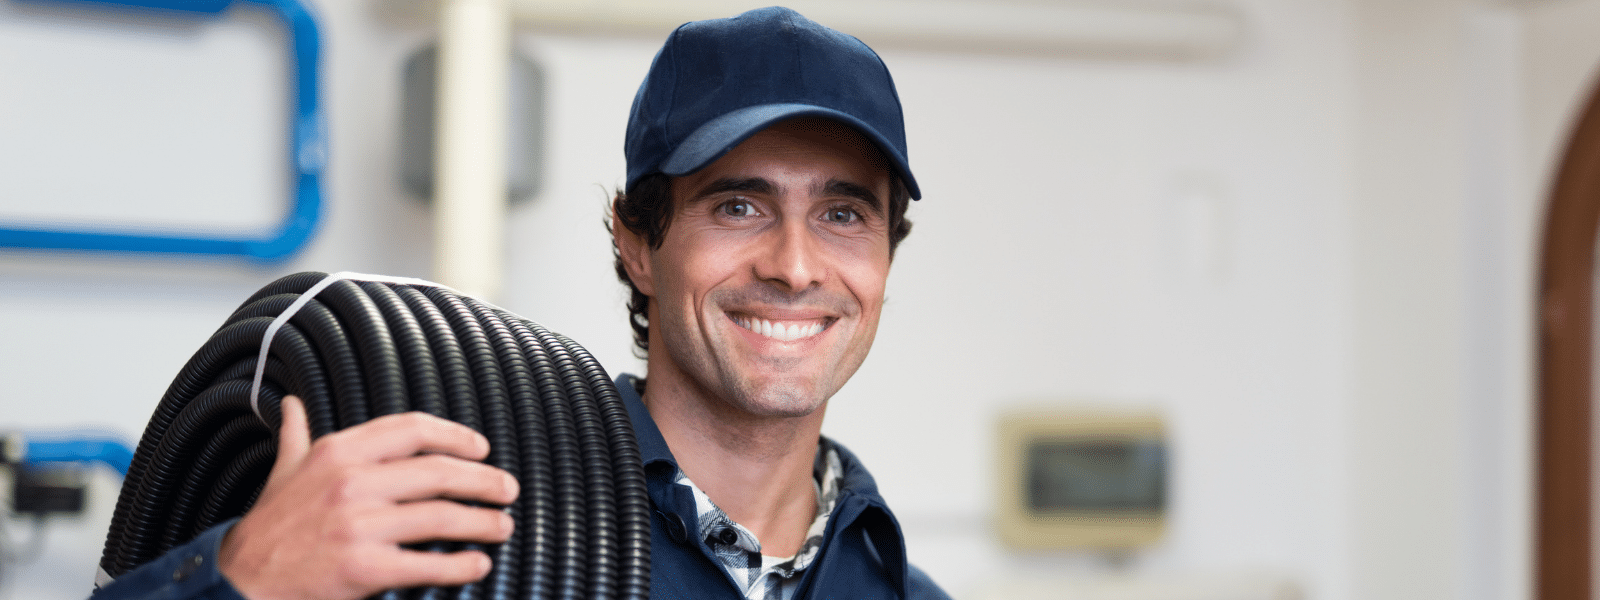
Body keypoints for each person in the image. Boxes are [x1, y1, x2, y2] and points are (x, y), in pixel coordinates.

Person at [90, 7, 949, 600]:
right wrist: (244, 577)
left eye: (843, 214)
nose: (796, 267)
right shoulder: (440, 511)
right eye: (738, 206)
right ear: (638, 243)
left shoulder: (902, 590)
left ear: (884, 255)